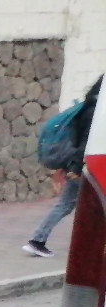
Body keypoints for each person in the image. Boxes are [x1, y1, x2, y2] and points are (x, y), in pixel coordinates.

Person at [24, 75, 101, 258]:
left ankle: (38, 241)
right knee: (71, 205)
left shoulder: (86, 108)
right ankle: (38, 241)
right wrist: (74, 168)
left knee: (70, 206)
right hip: (82, 168)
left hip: (78, 166)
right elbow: (84, 143)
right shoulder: (94, 113)